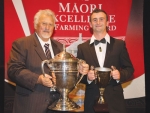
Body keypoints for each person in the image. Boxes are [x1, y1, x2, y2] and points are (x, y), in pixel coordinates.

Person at [7, 9, 89, 113]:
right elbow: (14, 70)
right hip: (31, 105)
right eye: (44, 24)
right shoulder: (22, 44)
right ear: (36, 25)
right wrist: (38, 79)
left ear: (54, 27)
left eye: (50, 24)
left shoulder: (60, 47)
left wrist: (79, 70)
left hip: (58, 106)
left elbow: (66, 73)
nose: (47, 27)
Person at [77, 8, 134, 113]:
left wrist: (120, 75)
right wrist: (87, 78)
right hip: (91, 101)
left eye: (101, 19)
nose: (98, 22)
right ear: (90, 24)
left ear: (107, 22)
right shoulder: (82, 48)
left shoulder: (119, 45)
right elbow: (78, 75)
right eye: (94, 20)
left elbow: (129, 69)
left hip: (115, 101)